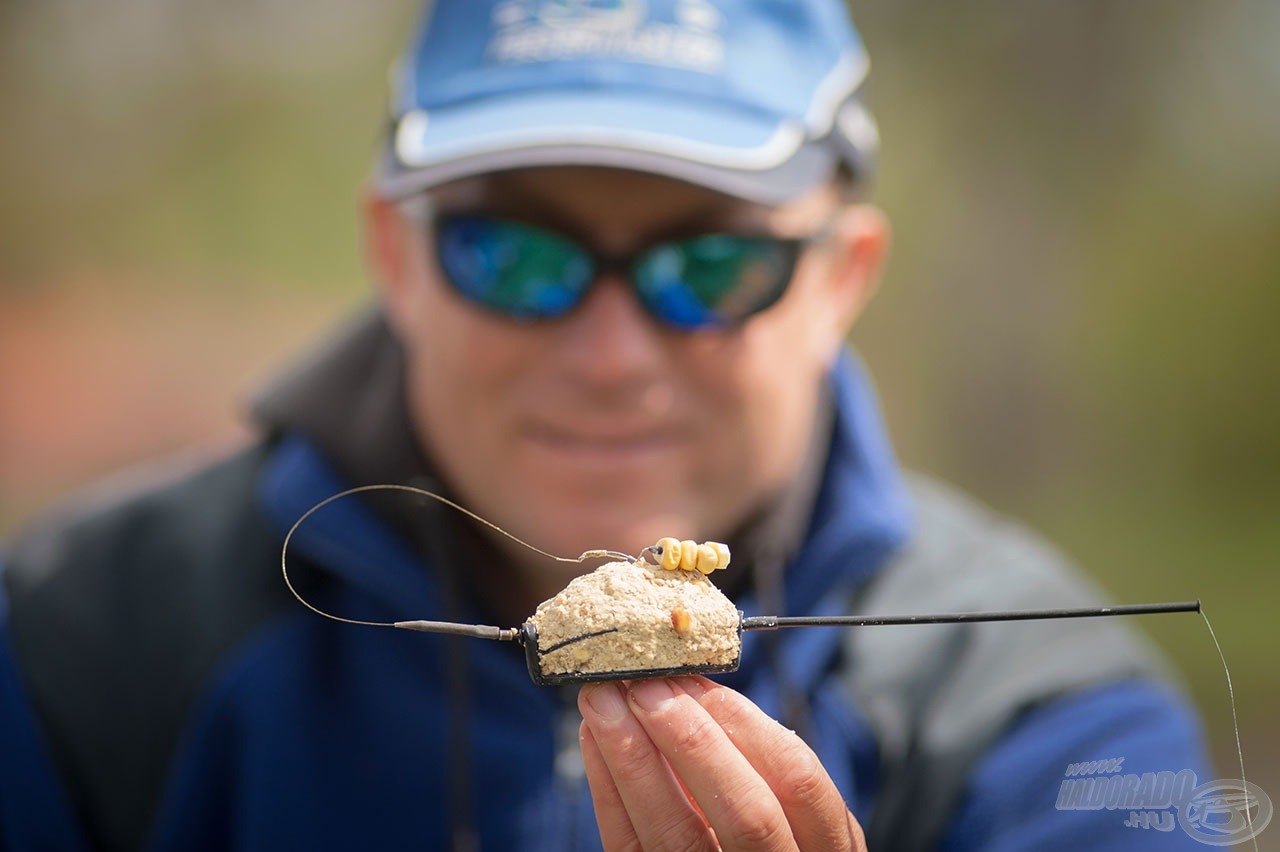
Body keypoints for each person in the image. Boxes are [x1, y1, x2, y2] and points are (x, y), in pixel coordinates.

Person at [0, 1, 1212, 850]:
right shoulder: (65, 650)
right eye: (514, 256)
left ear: (840, 280)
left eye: (713, 266)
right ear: (396, 258)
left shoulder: (1058, 722)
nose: (608, 358)